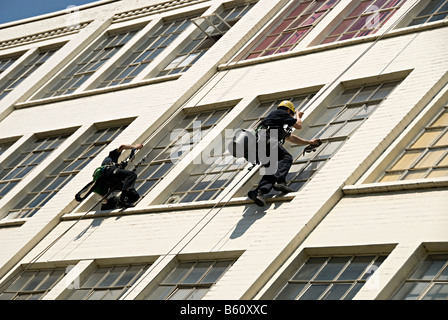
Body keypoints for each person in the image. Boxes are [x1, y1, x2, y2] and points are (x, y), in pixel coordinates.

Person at [247, 100, 320, 207]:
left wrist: (309, 142)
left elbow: (292, 138)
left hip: (259, 144)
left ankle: (258, 192)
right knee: (286, 158)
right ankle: (280, 182)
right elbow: (298, 125)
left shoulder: (275, 121)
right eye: (291, 114)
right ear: (288, 110)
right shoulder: (281, 113)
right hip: (266, 139)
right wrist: (298, 116)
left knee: (272, 169)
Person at [96, 143, 143, 210]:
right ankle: (123, 198)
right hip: (110, 172)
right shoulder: (112, 156)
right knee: (131, 175)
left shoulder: (113, 164)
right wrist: (135, 147)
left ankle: (118, 204)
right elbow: (122, 146)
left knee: (135, 196)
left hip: (111, 181)